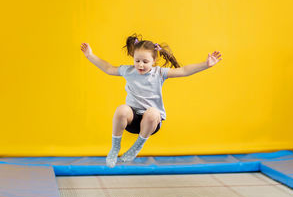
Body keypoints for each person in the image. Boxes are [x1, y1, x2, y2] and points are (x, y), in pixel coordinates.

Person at [80, 33, 222, 168]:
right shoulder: (128, 71)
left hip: (151, 123)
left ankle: (137, 146)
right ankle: (115, 147)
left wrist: (206, 64)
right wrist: (90, 56)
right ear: (133, 58)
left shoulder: (159, 73)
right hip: (132, 120)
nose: (141, 65)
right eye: (137, 61)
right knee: (121, 109)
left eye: (145, 62)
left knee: (153, 112)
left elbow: (184, 71)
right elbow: (108, 68)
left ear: (154, 61)